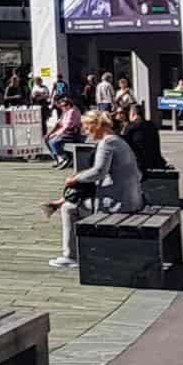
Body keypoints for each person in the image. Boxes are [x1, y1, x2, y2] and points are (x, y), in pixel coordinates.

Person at [48, 109, 140, 270]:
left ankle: (70, 256)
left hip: (117, 204)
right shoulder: (119, 140)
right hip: (132, 200)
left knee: (69, 209)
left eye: (86, 127)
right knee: (77, 202)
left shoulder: (107, 143)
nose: (85, 131)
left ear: (96, 125)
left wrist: (74, 178)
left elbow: (98, 171)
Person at [119, 101, 167, 173]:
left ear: (132, 114)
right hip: (154, 162)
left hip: (139, 164)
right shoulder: (151, 125)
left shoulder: (130, 127)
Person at [45, 98, 83, 168]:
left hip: (72, 133)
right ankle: (58, 159)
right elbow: (59, 123)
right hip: (66, 132)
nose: (62, 107)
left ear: (69, 104)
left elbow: (67, 126)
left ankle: (66, 158)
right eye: (61, 106)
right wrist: (49, 134)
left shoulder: (72, 111)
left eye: (64, 105)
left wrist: (55, 134)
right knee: (47, 139)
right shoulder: (66, 111)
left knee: (53, 142)